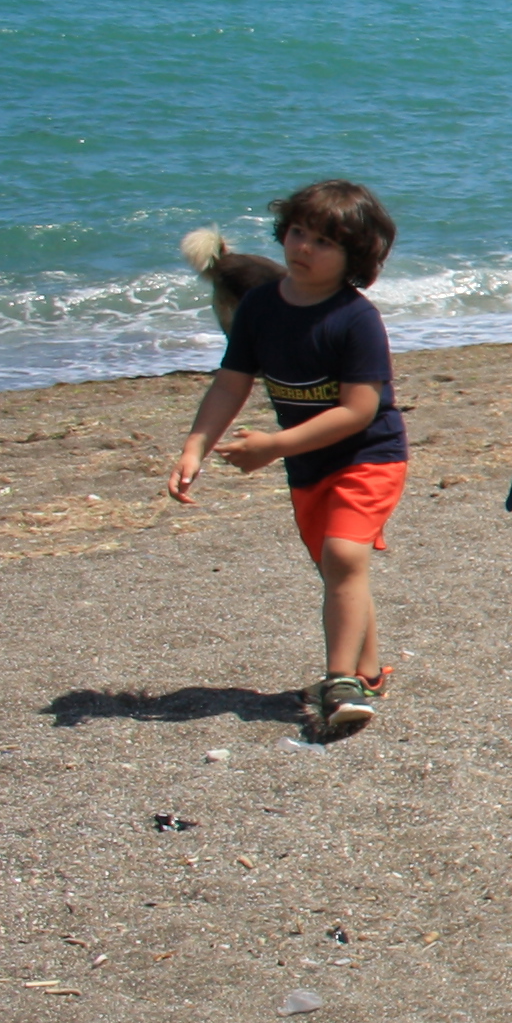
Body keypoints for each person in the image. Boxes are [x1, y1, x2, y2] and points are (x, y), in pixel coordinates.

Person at [168, 182, 408, 741]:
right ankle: (369, 673)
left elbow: (358, 410)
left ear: (357, 258)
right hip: (308, 466)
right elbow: (231, 383)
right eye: (299, 232)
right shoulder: (260, 306)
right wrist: (195, 445)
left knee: (344, 555)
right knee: (337, 570)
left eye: (324, 241)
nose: (304, 247)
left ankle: (340, 682)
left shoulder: (355, 318)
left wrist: (271, 446)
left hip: (368, 456)